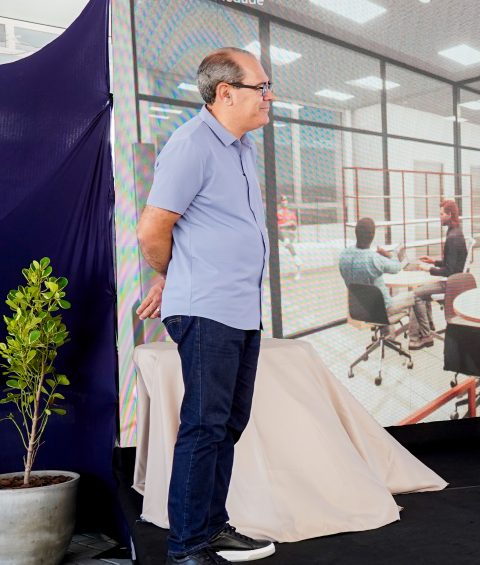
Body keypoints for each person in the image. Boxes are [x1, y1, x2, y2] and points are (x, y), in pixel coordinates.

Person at [135, 47, 277, 565]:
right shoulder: (191, 144)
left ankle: (212, 527)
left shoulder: (241, 148)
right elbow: (152, 230)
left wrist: (172, 276)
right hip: (209, 307)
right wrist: (174, 277)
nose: (269, 96)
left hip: (239, 307)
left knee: (227, 423)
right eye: (262, 87)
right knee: (204, 425)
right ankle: (188, 544)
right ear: (225, 93)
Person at [408, 199, 467, 349]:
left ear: (449, 214)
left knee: (416, 294)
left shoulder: (453, 237)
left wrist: (428, 269)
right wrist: (434, 261)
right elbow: (451, 263)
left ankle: (425, 336)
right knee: (422, 288)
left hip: (451, 283)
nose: (439, 217)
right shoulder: (455, 231)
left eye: (441, 214)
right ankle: (426, 327)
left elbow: (450, 270)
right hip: (456, 280)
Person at [338, 217, 411, 326]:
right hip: (384, 310)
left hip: (361, 309)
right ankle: (420, 335)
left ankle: (388, 335)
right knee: (417, 296)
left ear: (356, 232)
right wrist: (391, 255)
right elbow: (396, 267)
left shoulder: (344, 255)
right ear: (372, 235)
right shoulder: (373, 259)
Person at [276, 195, 302, 280]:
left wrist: (282, 225)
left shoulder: (291, 213)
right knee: (282, 233)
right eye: (282, 200)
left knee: (287, 241)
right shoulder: (277, 213)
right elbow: (275, 226)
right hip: (279, 234)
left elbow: (293, 225)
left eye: (285, 200)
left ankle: (298, 269)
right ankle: (295, 257)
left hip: (289, 234)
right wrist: (286, 225)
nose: (284, 202)